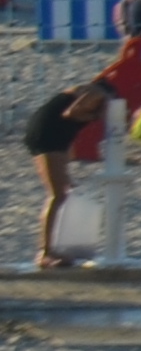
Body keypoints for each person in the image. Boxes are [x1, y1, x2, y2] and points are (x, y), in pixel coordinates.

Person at [27, 73, 110, 269]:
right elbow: (70, 114)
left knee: (64, 190)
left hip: (53, 134)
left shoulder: (92, 93)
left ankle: (53, 248)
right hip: (47, 135)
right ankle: (44, 252)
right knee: (56, 195)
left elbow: (70, 126)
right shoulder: (98, 94)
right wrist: (96, 116)